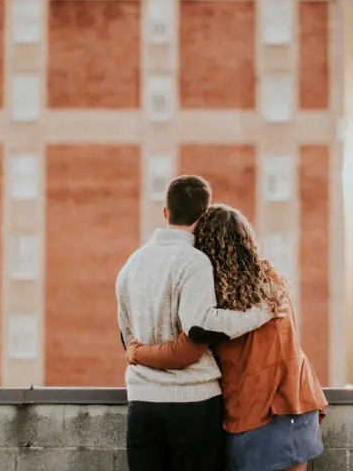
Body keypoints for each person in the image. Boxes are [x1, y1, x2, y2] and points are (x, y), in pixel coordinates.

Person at [126, 204, 328, 471]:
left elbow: (184, 351)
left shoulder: (216, 299)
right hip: (296, 403)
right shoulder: (272, 283)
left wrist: (135, 352)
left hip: (252, 415)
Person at [116, 176, 274, 471]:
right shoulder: (194, 261)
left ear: (166, 211)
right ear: (204, 215)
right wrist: (259, 313)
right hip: (193, 404)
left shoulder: (131, 265)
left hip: (142, 405)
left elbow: (127, 340)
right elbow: (200, 326)